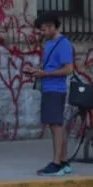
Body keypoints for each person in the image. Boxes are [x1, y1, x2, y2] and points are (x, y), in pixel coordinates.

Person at [24, 13, 75, 176]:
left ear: (53, 26)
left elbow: (68, 69)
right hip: (48, 88)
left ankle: (56, 163)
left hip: (56, 89)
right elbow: (49, 67)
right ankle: (64, 161)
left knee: (55, 126)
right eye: (41, 29)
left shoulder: (63, 44)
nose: (42, 32)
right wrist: (35, 71)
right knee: (56, 125)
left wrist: (45, 74)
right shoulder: (49, 44)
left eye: (44, 28)